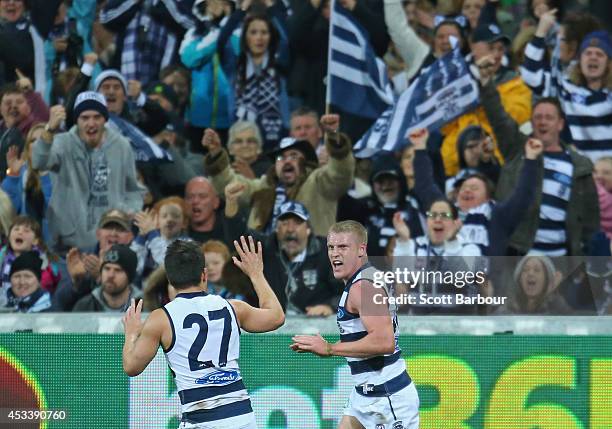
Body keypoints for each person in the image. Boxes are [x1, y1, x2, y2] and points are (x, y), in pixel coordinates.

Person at [122, 237, 285, 427]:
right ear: (204, 275)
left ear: (170, 280)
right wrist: (256, 274)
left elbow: (131, 367)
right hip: (241, 417)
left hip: (201, 419)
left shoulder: (161, 319)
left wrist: (131, 334)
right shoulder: (232, 307)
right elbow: (276, 317)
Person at [291, 221, 419, 429]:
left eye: (343, 247)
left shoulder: (363, 287)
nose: (334, 254)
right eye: (331, 247)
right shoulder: (362, 281)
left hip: (386, 398)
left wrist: (330, 348)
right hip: (365, 394)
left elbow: (383, 341)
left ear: (361, 250)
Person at [202, 114, 354, 236]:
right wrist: (216, 153)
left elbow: (340, 173)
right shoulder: (264, 186)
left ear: (305, 161)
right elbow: (229, 184)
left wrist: (334, 138)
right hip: (266, 264)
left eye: (293, 155)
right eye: (281, 157)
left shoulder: (319, 182)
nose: (287, 161)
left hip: (311, 263)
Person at [32, 92, 143, 252]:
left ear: (105, 119)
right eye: (85, 118)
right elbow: (38, 162)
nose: (91, 123)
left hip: (110, 244)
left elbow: (133, 190)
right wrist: (49, 130)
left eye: (97, 117)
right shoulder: (62, 143)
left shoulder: (122, 146)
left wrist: (127, 213)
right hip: (67, 245)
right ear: (77, 120)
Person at [224, 184, 343, 315]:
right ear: (276, 229)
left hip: (317, 328)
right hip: (272, 329)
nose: (290, 229)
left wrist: (330, 307)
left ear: (308, 229)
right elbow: (239, 236)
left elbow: (353, 293)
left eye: (297, 223)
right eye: (285, 223)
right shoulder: (264, 248)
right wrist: (231, 203)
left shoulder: (328, 253)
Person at [72, 243, 141, 312]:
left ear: (130, 276)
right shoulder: (84, 306)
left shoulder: (145, 307)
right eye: (107, 269)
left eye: (118, 270)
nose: (110, 275)